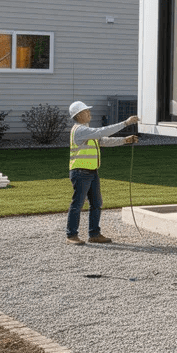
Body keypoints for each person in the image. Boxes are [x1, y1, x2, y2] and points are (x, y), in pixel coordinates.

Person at [66, 101, 139, 245]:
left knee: (96, 203)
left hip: (91, 172)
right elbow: (102, 132)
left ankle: (94, 234)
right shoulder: (80, 130)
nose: (89, 113)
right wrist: (125, 123)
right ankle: (71, 235)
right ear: (78, 115)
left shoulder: (87, 131)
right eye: (86, 111)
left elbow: (104, 140)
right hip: (80, 173)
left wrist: (125, 140)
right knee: (77, 204)